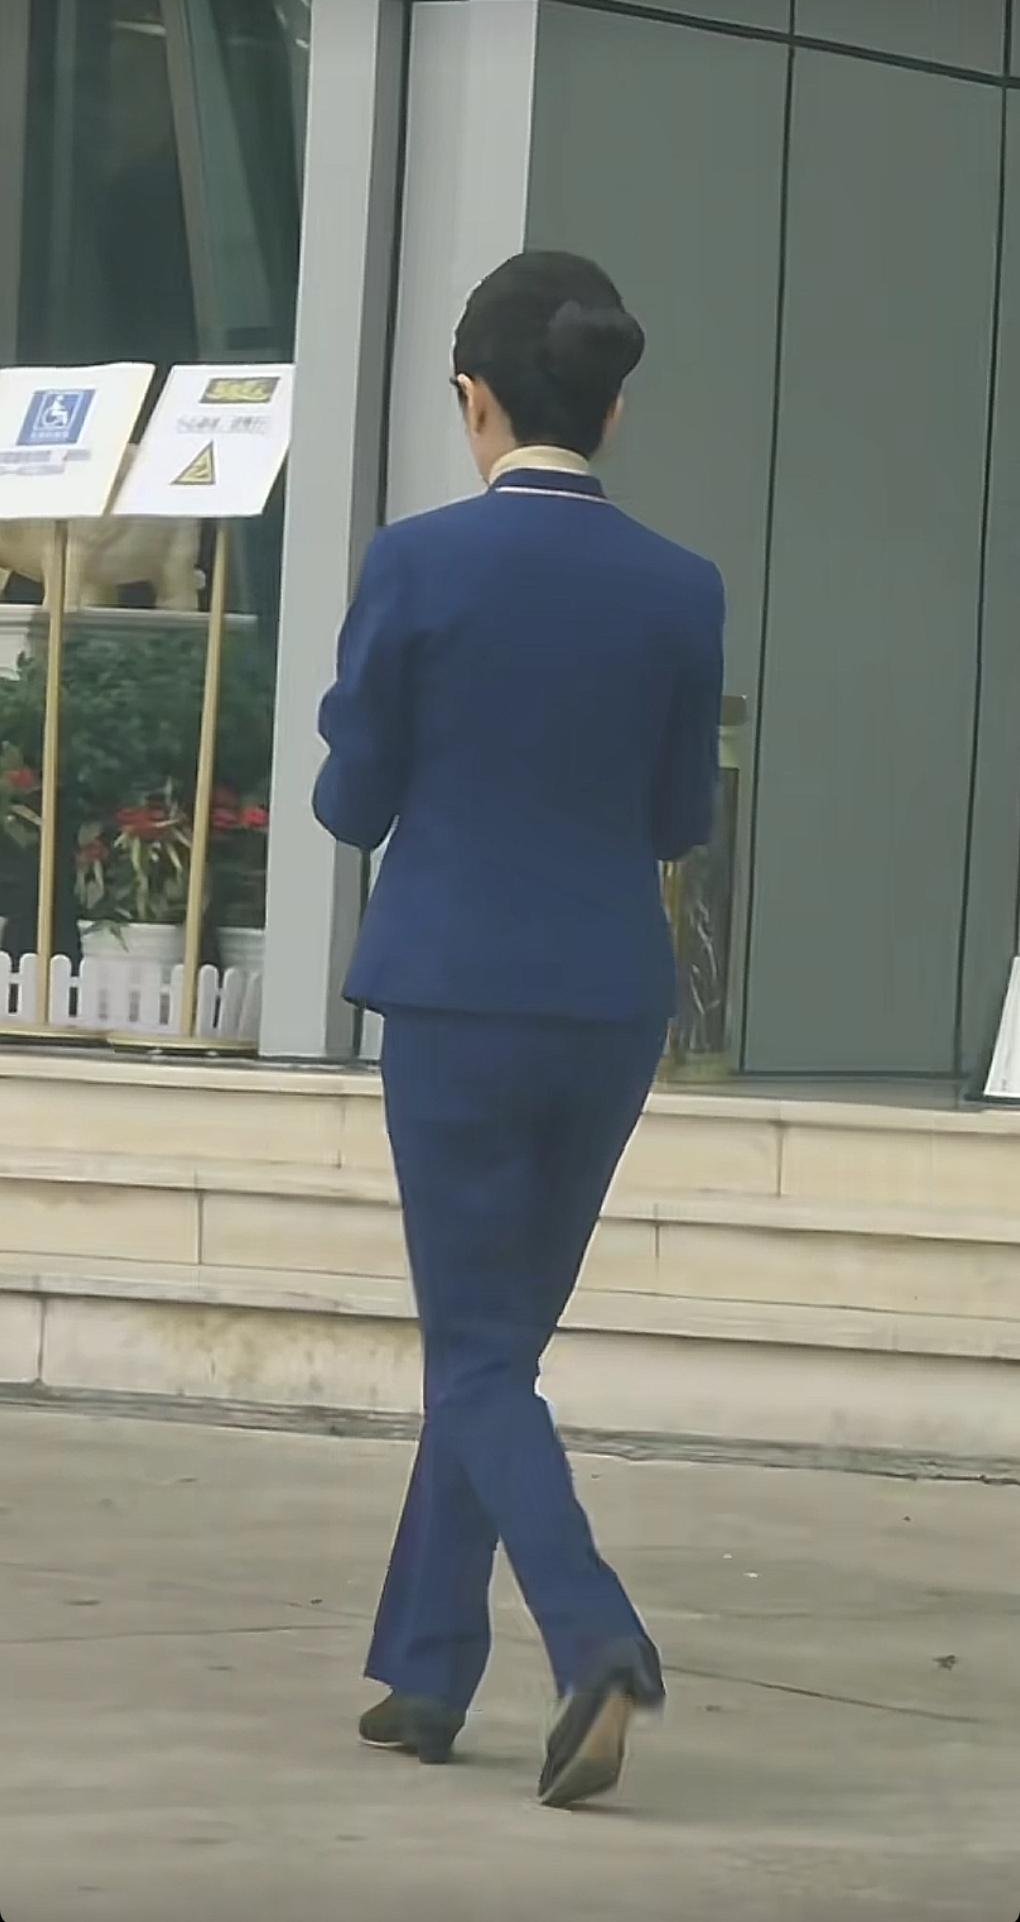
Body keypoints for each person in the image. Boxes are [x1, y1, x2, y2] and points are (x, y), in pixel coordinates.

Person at [313, 250, 724, 1810]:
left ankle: (594, 1634)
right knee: (496, 1341)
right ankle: (429, 1665)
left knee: (476, 1349)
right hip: (608, 1000)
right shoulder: (683, 586)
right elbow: (678, 816)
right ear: (612, 408)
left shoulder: (417, 562)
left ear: (470, 398)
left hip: (455, 994)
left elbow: (353, 798)